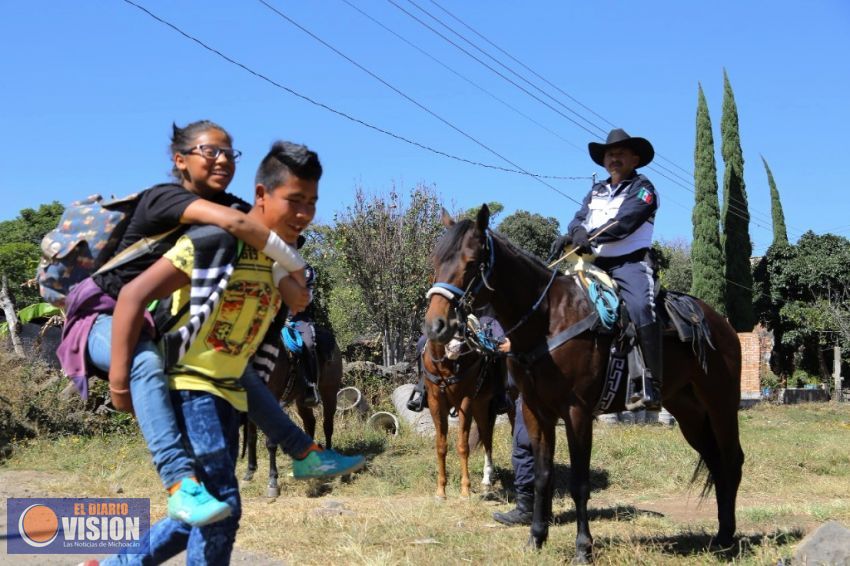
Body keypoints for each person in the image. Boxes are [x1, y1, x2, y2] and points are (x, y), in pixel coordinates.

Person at [59, 122, 361, 530]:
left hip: (148, 320)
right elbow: (245, 228)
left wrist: (288, 280)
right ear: (180, 160)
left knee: (235, 370)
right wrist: (118, 385)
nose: (223, 160)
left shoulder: (231, 205)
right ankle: (178, 483)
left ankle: (305, 452)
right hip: (104, 316)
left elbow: (261, 232)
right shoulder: (164, 198)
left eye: (230, 152)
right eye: (210, 151)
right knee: (143, 362)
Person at [549, 128, 662, 411]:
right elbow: (578, 220)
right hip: (593, 264)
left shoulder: (644, 190)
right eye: (609, 154)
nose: (614, 158)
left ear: (635, 159)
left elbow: (624, 223)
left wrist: (589, 236)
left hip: (630, 264)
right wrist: (573, 234)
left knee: (638, 307)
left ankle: (652, 382)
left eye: (620, 153)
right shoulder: (596, 191)